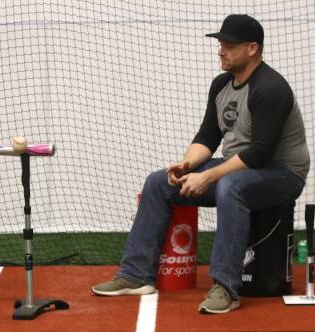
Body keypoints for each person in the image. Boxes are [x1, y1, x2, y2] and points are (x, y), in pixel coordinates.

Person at [92, 14, 310, 314]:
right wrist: (187, 165)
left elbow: (260, 153)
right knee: (159, 182)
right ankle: (135, 274)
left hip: (282, 173)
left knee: (230, 187)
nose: (221, 50)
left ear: (252, 49)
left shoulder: (271, 88)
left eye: (229, 45)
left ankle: (226, 288)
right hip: (241, 168)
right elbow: (208, 136)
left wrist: (208, 178)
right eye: (220, 44)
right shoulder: (221, 85)